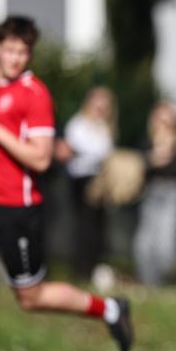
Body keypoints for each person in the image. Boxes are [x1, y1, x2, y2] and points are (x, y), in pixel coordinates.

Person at [0, 16, 133, 351]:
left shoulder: (34, 95)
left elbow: (40, 159)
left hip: (15, 209)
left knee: (31, 297)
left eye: (23, 52)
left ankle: (111, 310)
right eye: (10, 50)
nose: (16, 58)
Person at [55, 86, 116, 280]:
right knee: (84, 227)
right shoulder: (79, 124)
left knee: (98, 227)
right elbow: (81, 150)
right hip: (81, 180)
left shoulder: (106, 127)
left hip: (99, 181)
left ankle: (93, 268)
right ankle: (81, 270)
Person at [133, 100, 176, 286]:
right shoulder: (147, 140)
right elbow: (139, 164)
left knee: (166, 242)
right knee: (145, 243)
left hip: (174, 192)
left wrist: (173, 118)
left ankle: (163, 281)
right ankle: (148, 283)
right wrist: (152, 159)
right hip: (152, 192)